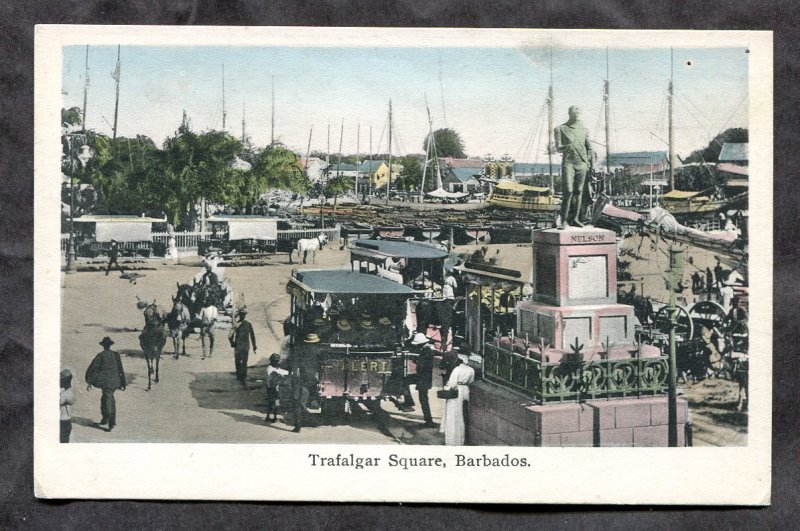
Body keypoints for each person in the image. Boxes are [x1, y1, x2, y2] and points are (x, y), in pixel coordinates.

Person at [554, 105, 593, 229]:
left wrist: (590, 160)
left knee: (579, 191)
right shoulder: (560, 129)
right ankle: (564, 220)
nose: (576, 115)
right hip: (569, 162)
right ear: (569, 114)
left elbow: (589, 147)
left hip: (582, 163)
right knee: (568, 191)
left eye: (578, 113)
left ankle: (575, 218)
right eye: (573, 113)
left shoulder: (584, 130)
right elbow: (558, 147)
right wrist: (567, 147)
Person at [85, 337, 126, 431]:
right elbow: (121, 369)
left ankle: (110, 422)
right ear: (110, 345)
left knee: (108, 399)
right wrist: (123, 382)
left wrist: (90, 382)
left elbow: (93, 369)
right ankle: (106, 419)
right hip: (115, 381)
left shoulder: (100, 355)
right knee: (109, 398)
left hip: (105, 383)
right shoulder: (116, 355)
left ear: (103, 346)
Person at [440, 354, 475, 446]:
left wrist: (448, 386)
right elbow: (471, 382)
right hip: (465, 391)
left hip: (456, 392)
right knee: (463, 415)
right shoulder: (471, 370)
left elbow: (452, 384)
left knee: (453, 415)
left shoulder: (457, 369)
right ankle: (462, 438)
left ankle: (452, 439)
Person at [411, 333, 436, 428]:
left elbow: (421, 366)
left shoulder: (426, 351)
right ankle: (428, 419)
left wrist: (416, 361)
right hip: (424, 379)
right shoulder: (427, 350)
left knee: (423, 400)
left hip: (423, 379)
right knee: (423, 399)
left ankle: (428, 420)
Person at [232, 306, 257, 386]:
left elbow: (229, 336)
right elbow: (252, 336)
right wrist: (254, 346)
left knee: (238, 361)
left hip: (238, 346)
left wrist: (232, 343)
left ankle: (239, 376)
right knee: (244, 362)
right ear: (245, 315)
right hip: (246, 346)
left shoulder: (237, 324)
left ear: (239, 315)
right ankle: (243, 378)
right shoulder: (248, 324)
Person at [265, 353, 288, 423]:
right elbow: (274, 376)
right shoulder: (270, 369)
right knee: (275, 403)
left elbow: (282, 371)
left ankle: (269, 416)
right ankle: (273, 417)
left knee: (271, 403)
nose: (277, 362)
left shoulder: (274, 368)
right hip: (272, 388)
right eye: (276, 361)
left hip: (272, 388)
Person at [60, 369, 74, 443]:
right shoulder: (68, 392)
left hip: (64, 420)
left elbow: (70, 400)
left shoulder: (67, 393)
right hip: (64, 420)